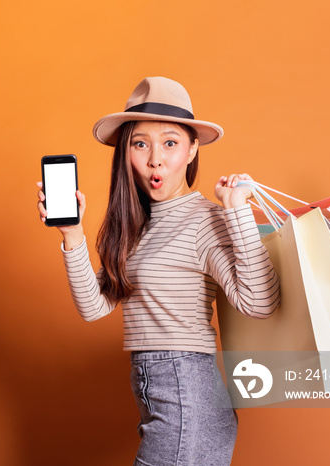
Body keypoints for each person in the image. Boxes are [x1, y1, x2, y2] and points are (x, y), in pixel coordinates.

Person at [36, 77, 280, 465]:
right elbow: (94, 307)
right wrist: (73, 234)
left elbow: (260, 302)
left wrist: (236, 210)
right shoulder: (137, 226)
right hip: (171, 391)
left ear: (191, 149)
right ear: (125, 152)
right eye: (139, 144)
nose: (155, 159)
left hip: (186, 388)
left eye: (170, 142)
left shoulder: (204, 221)